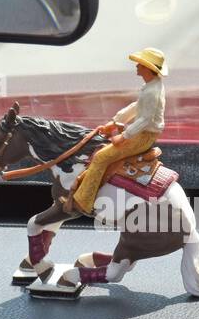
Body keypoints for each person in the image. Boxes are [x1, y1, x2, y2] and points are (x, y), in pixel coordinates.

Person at [69, 48, 167, 215]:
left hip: (143, 136)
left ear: (147, 67)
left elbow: (145, 119)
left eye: (140, 64)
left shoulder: (152, 91)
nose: (137, 66)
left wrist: (124, 136)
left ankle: (84, 202)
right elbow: (137, 107)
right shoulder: (151, 86)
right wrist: (115, 122)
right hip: (141, 132)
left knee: (101, 158)